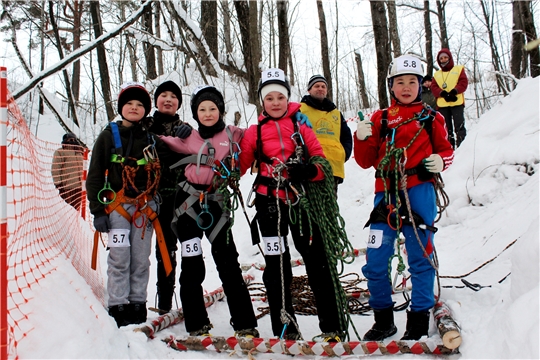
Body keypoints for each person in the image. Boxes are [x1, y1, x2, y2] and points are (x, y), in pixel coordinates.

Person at [239, 68, 347, 342]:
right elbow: (237, 167)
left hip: (301, 201)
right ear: (262, 102)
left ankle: (332, 327)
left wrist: (308, 172)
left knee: (317, 260)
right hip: (268, 203)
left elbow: (321, 161)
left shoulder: (301, 125)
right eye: (269, 98)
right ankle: (285, 327)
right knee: (276, 264)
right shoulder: (254, 133)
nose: (275, 102)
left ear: (288, 99)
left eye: (280, 97)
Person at [354, 55, 454, 341]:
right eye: (401, 82)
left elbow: (447, 151)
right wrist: (361, 138)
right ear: (392, 86)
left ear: (421, 85)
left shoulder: (432, 117)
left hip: (419, 190)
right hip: (385, 192)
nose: (407, 87)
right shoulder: (381, 118)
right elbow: (365, 161)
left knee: (421, 256)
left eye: (412, 81)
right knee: (375, 260)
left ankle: (419, 320)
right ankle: (383, 320)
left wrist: (440, 160)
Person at [159, 85, 259, 338]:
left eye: (212, 108)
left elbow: (259, 135)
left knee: (228, 263)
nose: (207, 113)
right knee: (191, 264)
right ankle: (195, 323)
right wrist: (173, 129)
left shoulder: (233, 134)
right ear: (195, 113)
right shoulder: (186, 136)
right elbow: (155, 139)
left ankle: (245, 322)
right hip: (187, 205)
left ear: (221, 111)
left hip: (217, 204)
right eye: (201, 109)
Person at [86, 82, 173, 328]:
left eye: (139, 105)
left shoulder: (152, 139)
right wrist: (97, 211)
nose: (134, 108)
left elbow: (172, 160)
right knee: (120, 256)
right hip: (117, 208)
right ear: (121, 107)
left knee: (141, 258)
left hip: (144, 209)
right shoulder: (107, 136)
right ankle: (117, 304)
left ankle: (137, 303)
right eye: (129, 104)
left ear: (145, 110)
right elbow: (94, 176)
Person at [146, 80, 192, 315]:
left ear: (178, 103)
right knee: (145, 251)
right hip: (146, 197)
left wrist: (188, 138)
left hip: (178, 198)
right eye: (163, 95)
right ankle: (134, 301)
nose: (168, 99)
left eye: (173, 96)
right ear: (156, 101)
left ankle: (168, 300)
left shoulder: (185, 128)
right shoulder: (144, 125)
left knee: (172, 249)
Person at [300, 75, 352, 194]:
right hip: (309, 168)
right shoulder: (301, 109)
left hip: (333, 170)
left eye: (323, 86)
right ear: (309, 90)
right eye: (316, 86)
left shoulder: (336, 113)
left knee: (329, 208)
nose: (320, 88)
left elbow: (346, 137)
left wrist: (344, 154)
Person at [431, 48, 468, 149]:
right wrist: (442, 93)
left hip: (457, 102)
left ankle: (462, 147)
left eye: (445, 57)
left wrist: (455, 91)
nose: (443, 60)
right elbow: (433, 87)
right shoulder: (437, 74)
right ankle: (449, 148)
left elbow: (463, 82)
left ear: (449, 58)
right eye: (441, 58)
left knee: (459, 127)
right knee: (446, 129)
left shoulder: (458, 69)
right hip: (443, 105)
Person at [51, 133, 84, 212]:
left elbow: (84, 169)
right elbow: (55, 168)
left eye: (74, 139)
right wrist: (58, 184)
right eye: (70, 140)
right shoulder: (60, 152)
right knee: (67, 211)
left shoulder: (80, 153)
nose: (73, 141)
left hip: (79, 187)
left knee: (76, 211)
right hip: (67, 187)